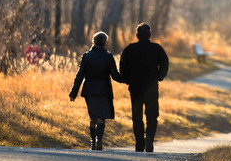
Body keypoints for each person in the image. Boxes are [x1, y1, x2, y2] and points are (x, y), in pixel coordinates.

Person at [69, 31, 125, 150]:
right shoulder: (108, 56)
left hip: (89, 90)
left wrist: (73, 93)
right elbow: (115, 75)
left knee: (93, 116)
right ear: (105, 43)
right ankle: (99, 140)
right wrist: (127, 79)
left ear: (93, 42)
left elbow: (80, 76)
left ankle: (93, 142)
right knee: (101, 117)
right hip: (104, 90)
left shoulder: (87, 56)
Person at [120, 22, 169, 152]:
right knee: (152, 115)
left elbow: (122, 67)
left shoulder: (130, 49)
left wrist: (127, 79)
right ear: (150, 35)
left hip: (135, 87)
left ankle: (139, 144)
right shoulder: (157, 48)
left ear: (137, 35)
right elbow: (165, 64)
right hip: (151, 87)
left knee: (137, 116)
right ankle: (149, 137)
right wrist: (159, 77)